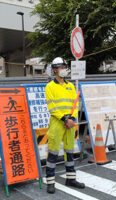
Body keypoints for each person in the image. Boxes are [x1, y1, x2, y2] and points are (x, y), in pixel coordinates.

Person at [45, 57, 85, 194]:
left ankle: (71, 179)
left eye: (64, 67)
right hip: (57, 124)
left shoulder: (71, 86)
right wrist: (65, 119)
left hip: (70, 123)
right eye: (61, 67)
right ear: (55, 70)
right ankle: (50, 182)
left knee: (69, 152)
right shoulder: (50, 86)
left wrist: (72, 118)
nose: (64, 69)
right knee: (53, 153)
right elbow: (52, 107)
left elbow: (75, 104)